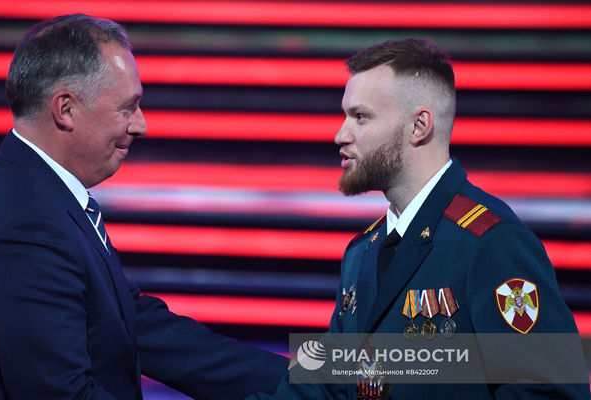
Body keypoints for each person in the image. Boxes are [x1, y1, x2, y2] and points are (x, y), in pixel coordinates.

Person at [0, 14, 287, 399]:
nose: (141, 125)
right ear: (65, 109)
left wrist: (330, 365)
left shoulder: (32, 192)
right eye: (127, 108)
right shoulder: (27, 227)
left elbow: (139, 326)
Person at [248, 39, 589, 399]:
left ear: (419, 126)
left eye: (361, 117)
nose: (340, 135)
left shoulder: (491, 242)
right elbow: (323, 386)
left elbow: (550, 393)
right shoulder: (363, 251)